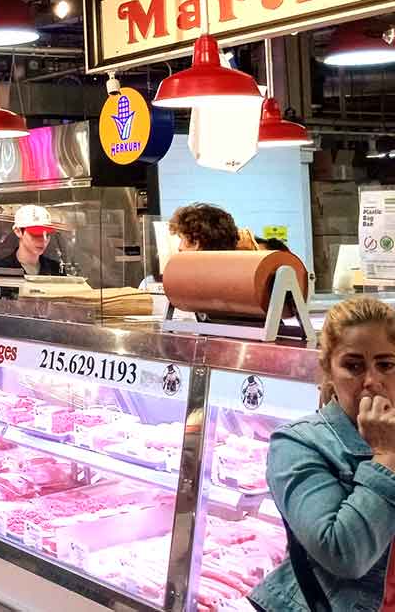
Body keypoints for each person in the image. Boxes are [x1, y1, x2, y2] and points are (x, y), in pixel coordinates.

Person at [250, 298, 395, 611]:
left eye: (386, 364)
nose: (372, 381)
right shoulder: (298, 444)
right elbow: (345, 554)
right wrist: (384, 456)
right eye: (353, 366)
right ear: (329, 370)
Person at [0, 205, 64, 276]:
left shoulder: (56, 270)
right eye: (36, 234)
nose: (43, 240)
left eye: (47, 234)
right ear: (18, 231)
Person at [169, 203, 241, 252]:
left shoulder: (180, 273)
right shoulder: (241, 272)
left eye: (182, 239)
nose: (179, 248)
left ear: (195, 243)